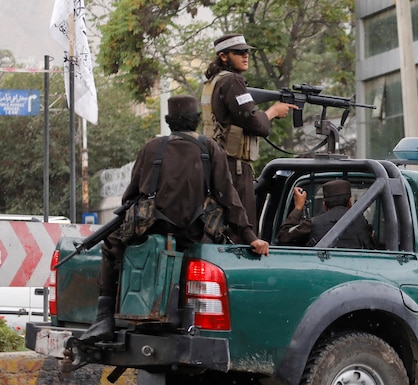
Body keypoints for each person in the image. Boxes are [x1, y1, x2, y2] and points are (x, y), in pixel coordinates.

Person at [79, 95, 270, 344]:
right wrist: (250, 237)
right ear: (196, 122)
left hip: (151, 229)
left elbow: (130, 197)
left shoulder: (152, 148)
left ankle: (104, 319)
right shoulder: (210, 148)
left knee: (112, 246)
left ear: (170, 122)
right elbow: (229, 199)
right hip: (193, 233)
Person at [201, 33, 298, 233]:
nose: (245, 56)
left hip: (218, 164)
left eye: (246, 52)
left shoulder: (214, 81)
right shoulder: (233, 81)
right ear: (223, 56)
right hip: (234, 168)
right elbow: (255, 124)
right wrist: (273, 112)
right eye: (239, 52)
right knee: (243, 231)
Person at [276, 179, 374, 249]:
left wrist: (298, 208)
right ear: (350, 202)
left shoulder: (312, 223)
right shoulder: (363, 224)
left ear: (324, 205)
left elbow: (283, 237)